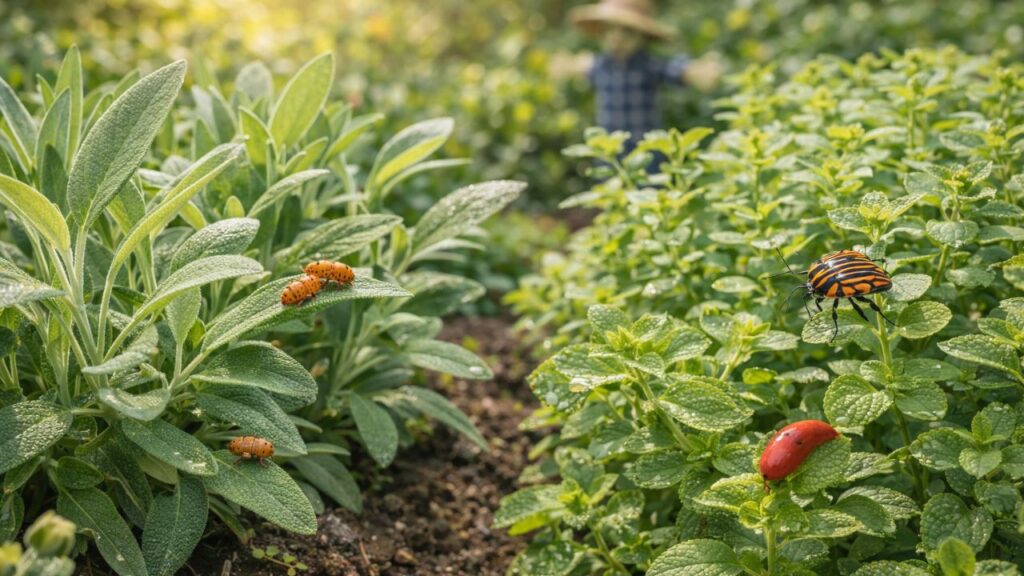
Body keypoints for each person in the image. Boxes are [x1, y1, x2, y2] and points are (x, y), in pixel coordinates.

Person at [557, 0, 721, 156]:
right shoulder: (601, 66)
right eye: (610, 30)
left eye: (627, 32)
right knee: (609, 183)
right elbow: (580, 65)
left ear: (642, 36)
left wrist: (695, 71)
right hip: (610, 151)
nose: (617, 38)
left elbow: (674, 69)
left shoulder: (648, 66)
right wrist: (567, 66)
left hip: (645, 150)